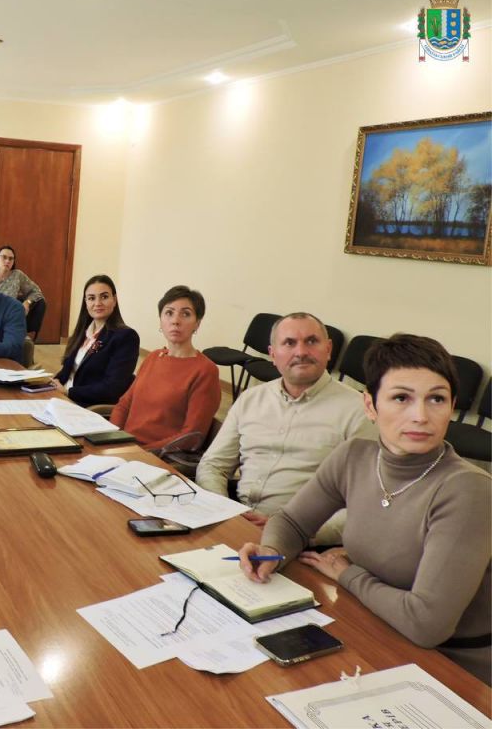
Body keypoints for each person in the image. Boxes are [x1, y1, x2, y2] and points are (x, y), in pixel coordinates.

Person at [238, 334, 490, 684]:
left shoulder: (469, 489)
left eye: (436, 399)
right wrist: (272, 552)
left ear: (452, 406)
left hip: (452, 665)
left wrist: (348, 575)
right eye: (401, 398)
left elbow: (426, 624)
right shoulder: (354, 456)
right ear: (370, 406)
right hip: (375, 625)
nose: (420, 416)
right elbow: (293, 521)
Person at [197, 312, 375, 545]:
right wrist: (224, 511)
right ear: (273, 354)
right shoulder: (251, 399)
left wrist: (293, 529)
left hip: (300, 540)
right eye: (289, 343)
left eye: (311, 341)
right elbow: (213, 465)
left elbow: (366, 504)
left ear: (328, 349)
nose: (301, 352)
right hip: (233, 522)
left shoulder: (359, 412)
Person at [110, 285, 220, 449]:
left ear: (197, 323)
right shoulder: (153, 357)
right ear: (160, 320)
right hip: (123, 446)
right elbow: (124, 405)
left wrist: (139, 452)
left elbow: (191, 436)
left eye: (186, 314)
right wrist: (112, 438)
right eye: (169, 313)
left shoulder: (205, 370)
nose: (175, 321)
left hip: (158, 456)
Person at [52, 275, 139, 407]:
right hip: (62, 398)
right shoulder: (82, 332)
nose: (97, 303)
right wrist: (52, 383)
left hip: (86, 405)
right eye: (91, 298)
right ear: (86, 302)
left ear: (114, 300)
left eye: (104, 297)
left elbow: (112, 388)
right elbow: (67, 371)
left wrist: (68, 392)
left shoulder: (126, 337)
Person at [0, 245, 45, 338]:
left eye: (11, 259)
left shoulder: (17, 275)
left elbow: (37, 291)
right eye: (4, 257)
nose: (7, 261)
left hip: (9, 318)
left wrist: (27, 302)